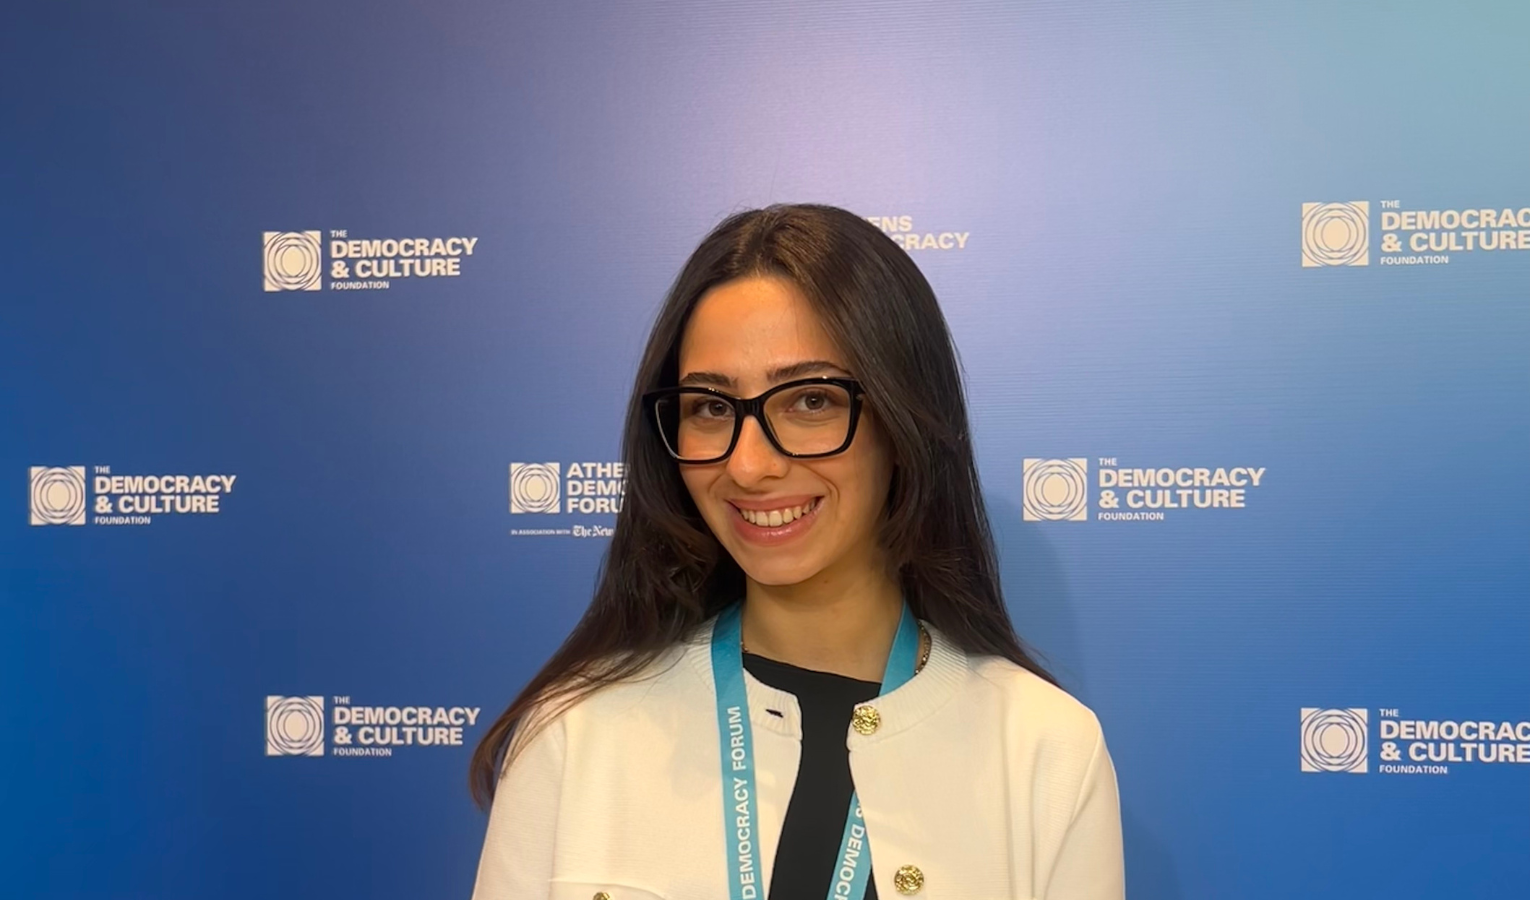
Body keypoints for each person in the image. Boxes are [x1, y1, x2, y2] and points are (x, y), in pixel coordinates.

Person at [469, 204, 1124, 899]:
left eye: (810, 401)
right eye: (711, 408)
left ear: (904, 420)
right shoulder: (574, 730)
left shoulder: (1046, 750)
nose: (749, 465)